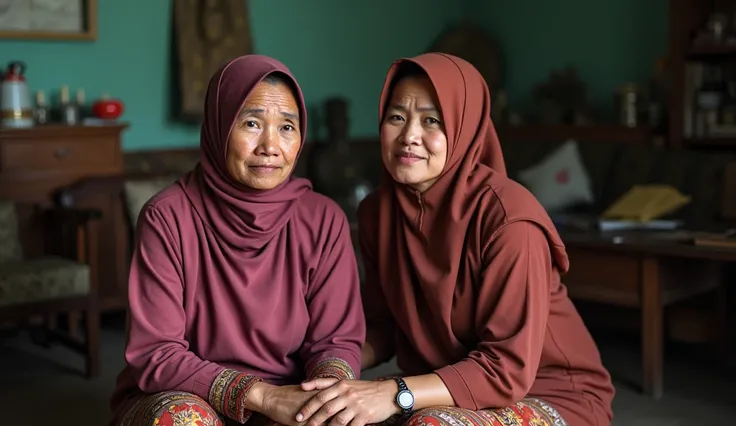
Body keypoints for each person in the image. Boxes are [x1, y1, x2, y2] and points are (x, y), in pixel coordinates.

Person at [295, 53, 615, 426]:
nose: (409, 136)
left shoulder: (509, 219)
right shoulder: (377, 212)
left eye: (432, 120)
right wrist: (329, 370)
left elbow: (506, 368)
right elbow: (383, 325)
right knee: (325, 413)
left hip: (549, 392)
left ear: (464, 128)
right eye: (397, 117)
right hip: (442, 388)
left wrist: (394, 393)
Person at [109, 55, 365, 426]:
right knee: (183, 420)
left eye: (287, 128)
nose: (271, 146)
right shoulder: (167, 217)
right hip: (186, 392)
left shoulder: (323, 218)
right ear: (219, 126)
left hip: (292, 396)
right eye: (251, 123)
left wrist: (323, 399)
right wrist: (260, 396)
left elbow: (335, 339)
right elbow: (157, 352)